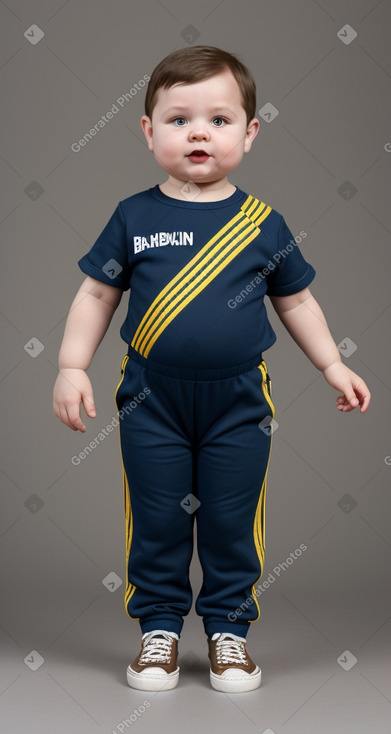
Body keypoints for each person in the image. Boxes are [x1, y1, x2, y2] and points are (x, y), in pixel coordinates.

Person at [53, 46, 371, 694]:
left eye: (219, 120)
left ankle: (229, 632)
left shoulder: (260, 223)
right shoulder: (132, 216)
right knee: (156, 513)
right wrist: (69, 365)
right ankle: (158, 630)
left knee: (231, 514)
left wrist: (333, 361)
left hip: (237, 401)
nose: (199, 132)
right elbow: (95, 294)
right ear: (147, 131)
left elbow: (297, 300)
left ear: (250, 134)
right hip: (150, 398)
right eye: (178, 119)